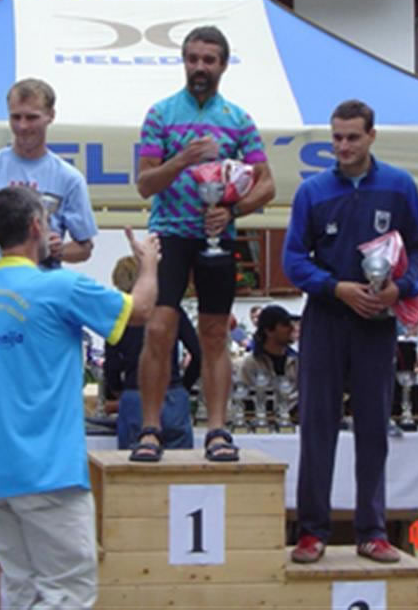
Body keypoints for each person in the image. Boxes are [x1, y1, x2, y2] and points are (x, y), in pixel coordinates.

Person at [0, 186, 159, 609]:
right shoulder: (59, 287)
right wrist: (149, 265)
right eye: (47, 221)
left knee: (21, 590)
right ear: (36, 226)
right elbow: (140, 310)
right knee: (67, 592)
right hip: (49, 467)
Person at [283, 99, 418, 564]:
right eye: (336, 137)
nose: (343, 146)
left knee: (373, 427)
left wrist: (400, 289)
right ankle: (312, 531)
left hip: (376, 323)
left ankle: (372, 531)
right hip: (327, 317)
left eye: (352, 137)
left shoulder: (399, 186)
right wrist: (335, 287)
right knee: (317, 425)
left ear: (371, 136)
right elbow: (292, 259)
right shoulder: (312, 192)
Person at [132, 25, 275, 462]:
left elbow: (267, 184)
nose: (200, 67)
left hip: (217, 235)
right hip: (170, 232)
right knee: (159, 328)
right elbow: (145, 184)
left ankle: (216, 429)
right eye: (193, 59)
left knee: (215, 333)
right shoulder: (160, 114)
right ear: (184, 61)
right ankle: (150, 429)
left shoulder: (238, 119)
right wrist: (182, 160)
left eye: (208, 60)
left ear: (223, 65)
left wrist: (233, 210)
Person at [0, 77, 97, 277]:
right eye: (15, 117)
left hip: (42, 283)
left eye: (32, 117)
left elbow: (85, 247)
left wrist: (59, 250)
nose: (23, 126)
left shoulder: (69, 178)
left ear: (50, 116)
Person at [105, 255, 201, 451]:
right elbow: (198, 354)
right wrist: (184, 386)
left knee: (134, 463)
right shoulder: (171, 310)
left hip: (135, 394)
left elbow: (112, 364)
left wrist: (117, 389)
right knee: (180, 464)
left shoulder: (119, 315)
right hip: (172, 393)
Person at [238, 305, 299, 391]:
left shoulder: (296, 362)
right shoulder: (251, 364)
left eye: (291, 324)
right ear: (269, 330)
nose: (292, 328)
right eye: (285, 324)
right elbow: (243, 395)